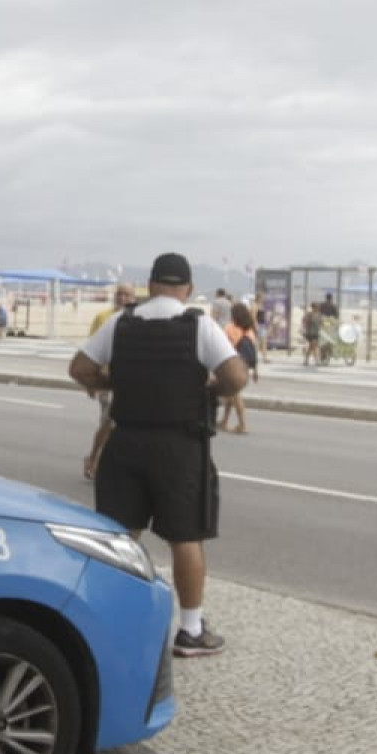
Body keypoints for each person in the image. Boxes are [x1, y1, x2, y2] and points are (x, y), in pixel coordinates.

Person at [70, 253, 248, 658]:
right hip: (179, 446)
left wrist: (109, 381)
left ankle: (106, 619)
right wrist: (207, 391)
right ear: (186, 289)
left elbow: (79, 368)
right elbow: (236, 377)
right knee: (185, 537)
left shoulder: (122, 322)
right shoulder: (198, 324)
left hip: (126, 439)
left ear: (151, 285)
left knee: (118, 536)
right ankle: (190, 629)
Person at [83, 283, 138, 480]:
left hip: (129, 381)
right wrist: (91, 383)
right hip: (108, 380)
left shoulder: (139, 320)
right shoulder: (103, 318)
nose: (122, 298)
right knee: (109, 422)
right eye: (119, 294)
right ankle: (94, 459)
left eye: (127, 294)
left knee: (119, 426)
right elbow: (91, 352)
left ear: (133, 298)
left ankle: (106, 462)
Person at [219, 302, 260, 433]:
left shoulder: (230, 328)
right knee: (231, 393)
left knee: (235, 395)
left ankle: (242, 425)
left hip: (233, 364)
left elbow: (223, 346)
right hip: (246, 365)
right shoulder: (249, 330)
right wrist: (256, 370)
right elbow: (253, 350)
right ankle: (224, 420)